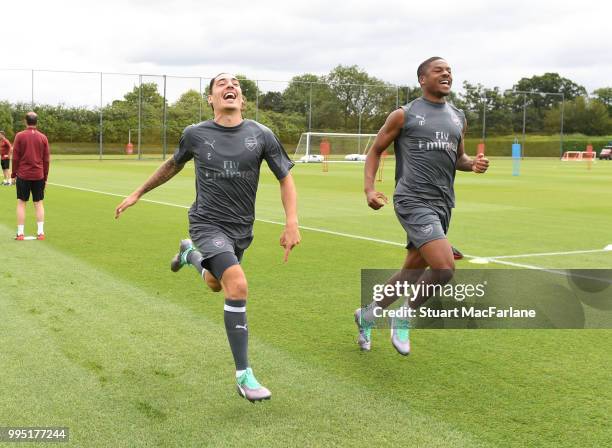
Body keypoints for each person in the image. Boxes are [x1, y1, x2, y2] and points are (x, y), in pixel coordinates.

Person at [115, 73, 300, 402]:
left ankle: (189, 255)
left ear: (242, 100)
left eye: (236, 85)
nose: (230, 87)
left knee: (217, 284)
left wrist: (292, 222)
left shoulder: (262, 135)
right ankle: (244, 374)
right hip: (206, 222)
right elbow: (172, 165)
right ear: (212, 99)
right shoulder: (196, 134)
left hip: (241, 228)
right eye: (221, 85)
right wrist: (138, 192)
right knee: (238, 285)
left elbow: (284, 177)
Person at [355, 57, 489, 355]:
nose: (446, 74)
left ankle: (367, 314)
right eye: (438, 70)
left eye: (449, 70)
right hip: (412, 199)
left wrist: (473, 164)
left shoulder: (458, 117)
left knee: (411, 272)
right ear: (422, 79)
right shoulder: (404, 115)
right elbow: (375, 150)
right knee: (444, 268)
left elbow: (459, 159)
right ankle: (403, 315)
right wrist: (369, 189)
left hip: (444, 204)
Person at [11, 112, 50, 240]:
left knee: (22, 203)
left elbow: (15, 157)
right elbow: (46, 160)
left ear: (25, 121)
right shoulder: (43, 137)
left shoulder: (19, 136)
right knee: (38, 203)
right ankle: (40, 233)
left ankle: (20, 233)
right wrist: (45, 177)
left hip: (23, 175)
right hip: (38, 175)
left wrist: (13, 174)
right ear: (36, 122)